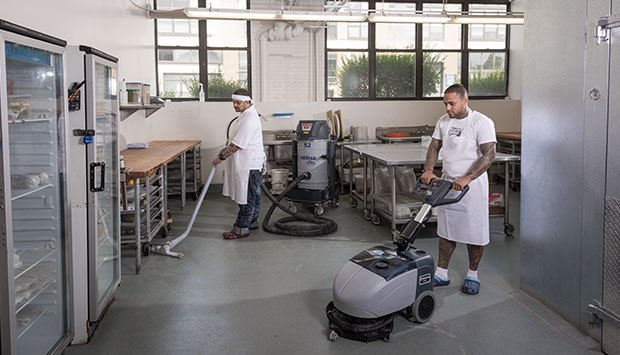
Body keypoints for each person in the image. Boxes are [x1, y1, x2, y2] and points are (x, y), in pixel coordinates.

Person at [420, 83, 496, 295]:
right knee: (446, 231)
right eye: (445, 104)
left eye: (451, 103)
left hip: (472, 186)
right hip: (447, 184)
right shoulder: (443, 122)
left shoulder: (481, 122)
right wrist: (428, 170)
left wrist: (467, 177)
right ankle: (441, 273)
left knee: (475, 233)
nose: (448, 108)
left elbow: (489, 155)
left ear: (465, 100)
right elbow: (434, 146)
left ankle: (473, 275)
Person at [212, 89, 266, 239]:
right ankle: (252, 221)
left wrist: (221, 157)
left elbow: (237, 145)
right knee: (254, 195)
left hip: (250, 164)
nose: (235, 105)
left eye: (238, 102)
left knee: (247, 197)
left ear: (247, 102)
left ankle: (241, 228)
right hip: (252, 163)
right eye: (233, 102)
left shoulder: (249, 119)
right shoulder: (246, 115)